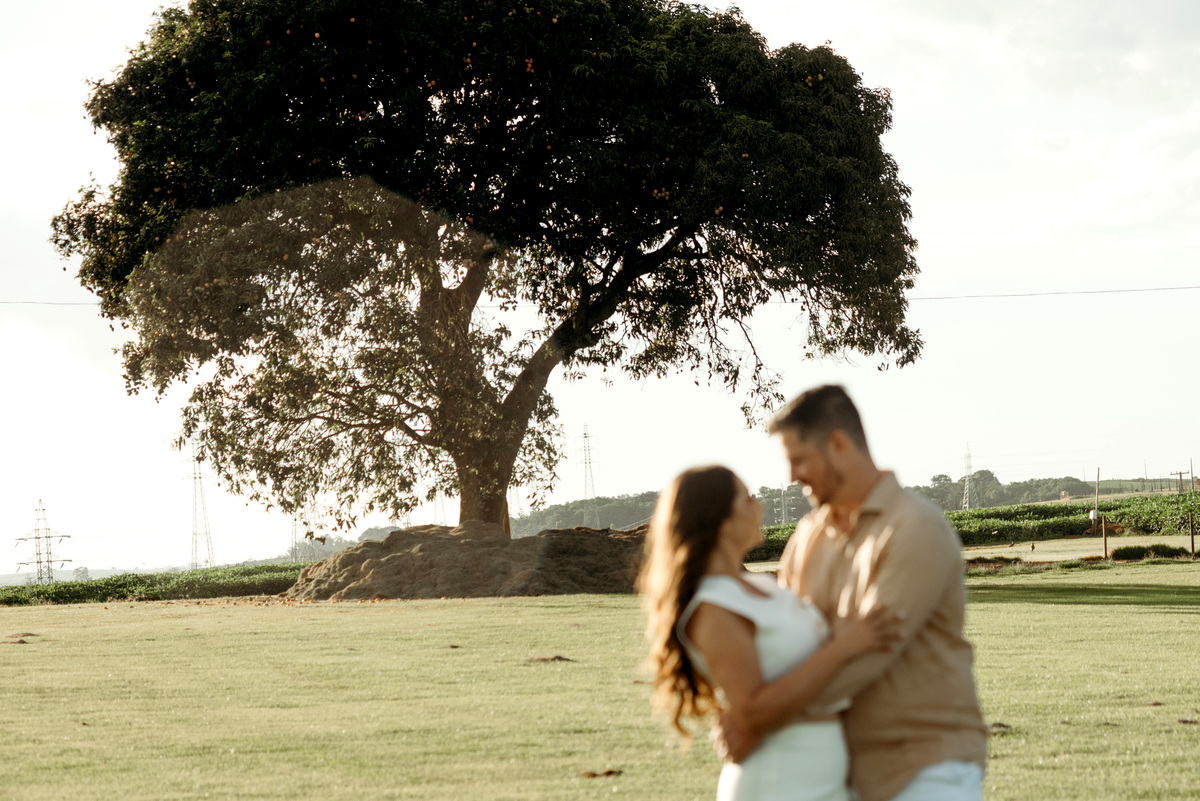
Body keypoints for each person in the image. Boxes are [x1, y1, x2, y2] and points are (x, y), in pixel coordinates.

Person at [721, 384, 988, 801]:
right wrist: (742, 704)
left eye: (799, 459)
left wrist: (761, 714)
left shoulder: (915, 528)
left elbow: (871, 654)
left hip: (925, 767)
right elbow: (784, 640)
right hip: (835, 771)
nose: (791, 477)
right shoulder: (808, 536)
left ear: (839, 444)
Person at [639, 464, 902, 801]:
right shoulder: (713, 607)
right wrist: (846, 646)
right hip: (777, 781)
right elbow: (752, 710)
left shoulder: (762, 585)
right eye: (747, 499)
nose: (759, 505)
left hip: (826, 779)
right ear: (719, 519)